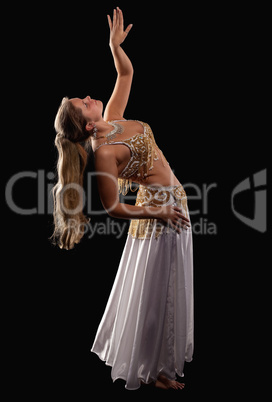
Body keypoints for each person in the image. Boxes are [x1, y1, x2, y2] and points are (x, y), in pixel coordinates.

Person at [52, 8, 194, 391]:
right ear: (86, 123)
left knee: (166, 287)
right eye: (83, 102)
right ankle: (155, 371)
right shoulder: (103, 153)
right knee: (159, 290)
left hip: (169, 203)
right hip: (161, 211)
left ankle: (159, 366)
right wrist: (159, 212)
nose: (88, 96)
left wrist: (115, 47)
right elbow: (113, 207)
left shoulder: (113, 118)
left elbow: (126, 74)